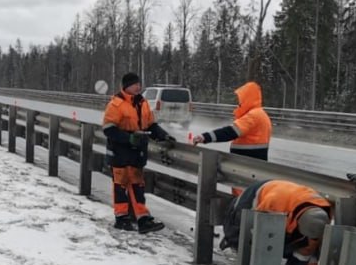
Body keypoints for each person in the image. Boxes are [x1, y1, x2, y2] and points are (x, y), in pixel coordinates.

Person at [101, 72, 176, 233]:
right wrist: (129, 139)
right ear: (126, 86)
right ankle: (122, 218)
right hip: (119, 150)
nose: (138, 86)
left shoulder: (143, 103)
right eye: (134, 84)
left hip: (137, 152)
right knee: (121, 185)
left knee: (137, 185)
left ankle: (142, 219)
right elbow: (108, 129)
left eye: (139, 84)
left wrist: (163, 135)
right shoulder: (116, 104)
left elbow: (150, 125)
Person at [190, 80, 272, 160]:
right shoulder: (261, 114)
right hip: (253, 164)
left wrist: (205, 137)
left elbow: (230, 132)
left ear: (248, 98)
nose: (239, 103)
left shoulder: (253, 115)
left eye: (241, 99)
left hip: (246, 164)